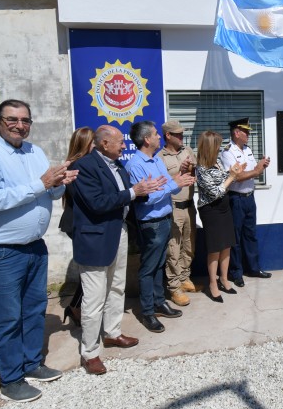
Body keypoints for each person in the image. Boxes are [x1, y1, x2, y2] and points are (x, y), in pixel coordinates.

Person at [0, 99, 77, 403]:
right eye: (12, 119)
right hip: (0, 252)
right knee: (7, 317)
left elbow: (49, 192)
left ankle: (31, 364)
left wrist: (59, 183)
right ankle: (11, 378)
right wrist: (42, 183)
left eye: (25, 120)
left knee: (33, 310)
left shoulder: (34, 151)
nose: (19, 125)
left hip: (33, 247)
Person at [71, 125, 166, 374]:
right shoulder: (84, 167)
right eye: (119, 143)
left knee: (116, 288)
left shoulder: (117, 166)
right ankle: (89, 352)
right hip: (96, 240)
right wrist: (134, 191)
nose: (124, 146)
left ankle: (112, 333)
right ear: (104, 144)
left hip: (119, 233)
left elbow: (128, 196)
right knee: (93, 299)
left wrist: (146, 190)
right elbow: (97, 203)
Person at [126, 120, 195, 333]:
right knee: (148, 268)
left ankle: (158, 302)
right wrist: (175, 183)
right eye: (156, 134)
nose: (159, 137)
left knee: (158, 265)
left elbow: (166, 186)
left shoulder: (155, 161)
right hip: (151, 223)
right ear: (147, 139)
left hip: (165, 218)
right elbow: (148, 197)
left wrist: (176, 180)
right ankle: (147, 312)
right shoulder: (135, 165)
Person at [220, 117, 272, 286]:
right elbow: (237, 177)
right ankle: (237, 273)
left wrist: (260, 165)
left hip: (250, 198)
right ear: (236, 133)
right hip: (236, 199)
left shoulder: (247, 149)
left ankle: (254, 268)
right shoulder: (227, 152)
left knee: (251, 235)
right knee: (235, 238)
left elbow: (249, 171)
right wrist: (256, 171)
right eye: (245, 131)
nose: (248, 133)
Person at [195, 131, 243, 302]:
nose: (220, 148)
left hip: (224, 208)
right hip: (211, 210)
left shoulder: (217, 163)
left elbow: (225, 182)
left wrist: (233, 173)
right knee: (215, 249)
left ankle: (224, 278)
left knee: (227, 245)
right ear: (210, 147)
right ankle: (213, 283)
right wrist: (231, 177)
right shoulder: (201, 168)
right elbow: (215, 192)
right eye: (218, 144)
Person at [157, 120, 198, 307]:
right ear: (168, 136)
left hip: (190, 205)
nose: (182, 137)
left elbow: (196, 170)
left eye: (182, 134)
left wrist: (193, 169)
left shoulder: (187, 151)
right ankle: (174, 287)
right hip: (173, 207)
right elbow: (161, 185)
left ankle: (184, 276)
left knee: (189, 245)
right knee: (173, 248)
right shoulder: (160, 157)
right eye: (178, 134)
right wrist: (178, 173)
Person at [59, 126, 95, 327]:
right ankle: (76, 308)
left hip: (82, 223)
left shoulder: (82, 164)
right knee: (90, 273)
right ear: (86, 144)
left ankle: (76, 306)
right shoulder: (76, 167)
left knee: (90, 273)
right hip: (78, 224)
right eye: (94, 142)